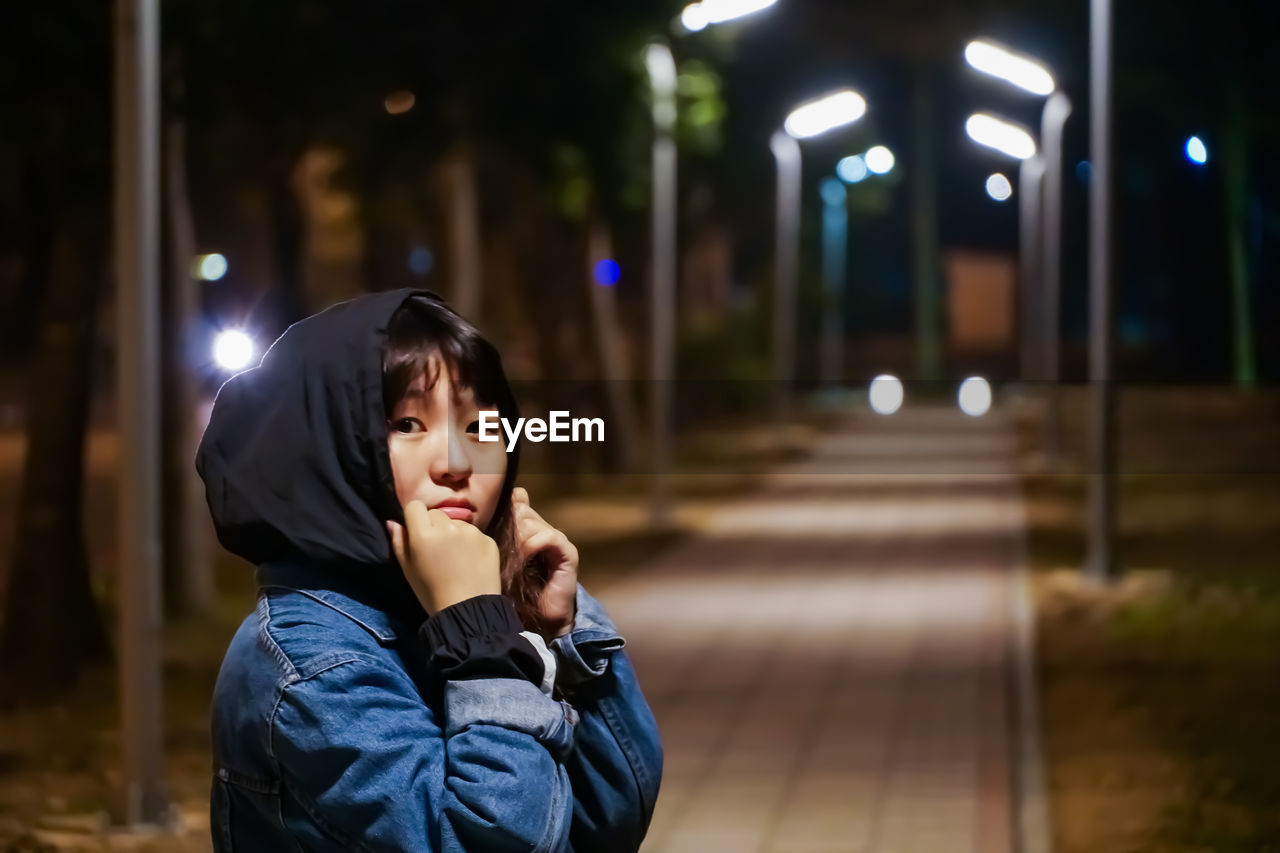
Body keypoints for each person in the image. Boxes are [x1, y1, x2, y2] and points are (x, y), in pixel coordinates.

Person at [196, 288, 662, 852]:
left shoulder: (434, 609)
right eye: (408, 425)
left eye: (480, 428)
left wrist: (556, 636)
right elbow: (494, 841)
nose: (456, 464)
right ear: (330, 445)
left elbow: (606, 825)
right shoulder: (314, 664)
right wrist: (483, 643)